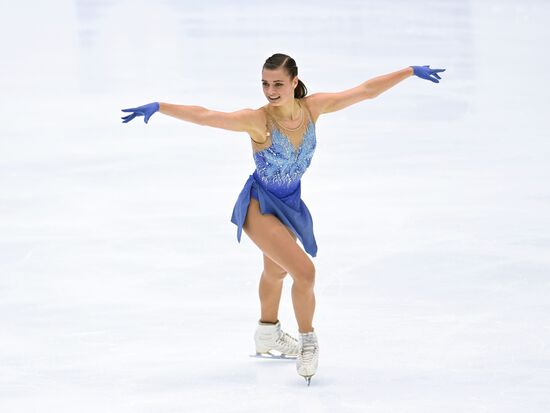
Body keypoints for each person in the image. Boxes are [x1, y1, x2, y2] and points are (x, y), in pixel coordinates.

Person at [121, 53, 445, 385]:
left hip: (289, 205)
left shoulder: (313, 108)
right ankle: (308, 341)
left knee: (275, 270)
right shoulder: (257, 120)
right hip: (259, 206)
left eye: (277, 83)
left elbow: (364, 91)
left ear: (294, 82)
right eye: (265, 83)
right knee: (304, 272)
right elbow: (207, 116)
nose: (270, 90)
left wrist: (408, 71)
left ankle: (267, 333)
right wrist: (160, 106)